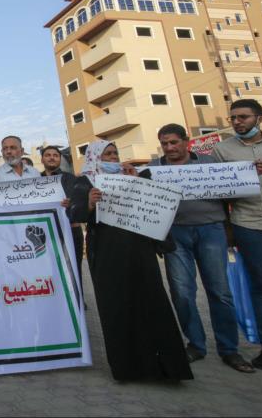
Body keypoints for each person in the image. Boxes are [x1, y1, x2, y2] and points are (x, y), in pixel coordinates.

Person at [68, 139, 192, 381]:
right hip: (105, 251)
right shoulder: (84, 182)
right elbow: (74, 212)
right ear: (94, 157)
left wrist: (137, 183)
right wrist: (91, 204)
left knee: (152, 301)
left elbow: (156, 207)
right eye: (107, 154)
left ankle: (166, 367)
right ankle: (128, 369)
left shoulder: (135, 176)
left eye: (115, 153)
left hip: (139, 249)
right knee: (116, 306)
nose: (113, 158)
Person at [145, 124, 253, 372]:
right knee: (182, 293)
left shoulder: (209, 162)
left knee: (220, 292)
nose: (170, 148)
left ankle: (229, 349)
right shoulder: (153, 169)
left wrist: (248, 174)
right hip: (175, 235)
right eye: (165, 143)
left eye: (174, 142)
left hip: (211, 231)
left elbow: (233, 191)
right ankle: (195, 344)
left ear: (186, 141)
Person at [211, 99, 262, 369]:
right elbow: (220, 192)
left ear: (259, 118)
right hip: (248, 224)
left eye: (243, 117)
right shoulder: (222, 150)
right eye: (233, 118)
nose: (237, 122)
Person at [40, 145, 84, 291]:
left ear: (59, 159)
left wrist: (71, 203)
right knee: (50, 270)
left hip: (71, 232)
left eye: (55, 155)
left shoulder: (71, 179)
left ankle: (77, 303)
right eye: (48, 155)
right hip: (47, 234)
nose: (52, 157)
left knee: (74, 269)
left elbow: (81, 204)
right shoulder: (34, 181)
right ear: (42, 159)